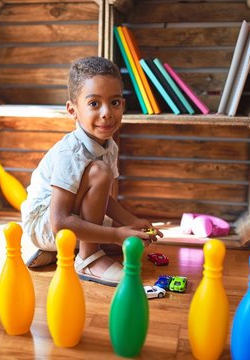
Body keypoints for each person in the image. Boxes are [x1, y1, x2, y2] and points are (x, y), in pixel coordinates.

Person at [21, 56, 162, 286]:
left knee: (125, 238)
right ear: (72, 110)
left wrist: (132, 220)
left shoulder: (109, 145)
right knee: (102, 181)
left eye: (114, 102)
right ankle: (87, 258)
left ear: (122, 105)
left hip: (63, 219)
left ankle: (63, 253)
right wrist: (116, 235)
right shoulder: (71, 153)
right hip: (44, 223)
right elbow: (59, 221)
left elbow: (100, 198)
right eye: (94, 103)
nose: (106, 112)